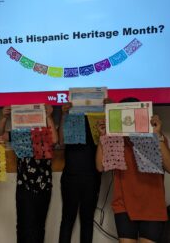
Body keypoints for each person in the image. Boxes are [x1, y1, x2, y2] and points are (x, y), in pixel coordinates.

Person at [96, 98, 170, 243]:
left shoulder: (156, 138)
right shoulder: (116, 141)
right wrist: (103, 136)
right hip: (124, 206)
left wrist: (157, 135)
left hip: (153, 205)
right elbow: (100, 167)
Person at [0, 104, 58, 243]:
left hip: (44, 186)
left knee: (39, 227)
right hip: (25, 187)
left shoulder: (44, 133)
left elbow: (54, 140)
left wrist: (48, 116)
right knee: (24, 227)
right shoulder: (19, 134)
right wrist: (4, 118)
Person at [58, 102, 102, 243]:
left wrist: (109, 110)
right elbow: (61, 142)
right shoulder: (71, 116)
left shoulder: (98, 119)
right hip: (70, 176)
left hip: (92, 176)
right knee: (67, 220)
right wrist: (64, 115)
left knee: (87, 221)